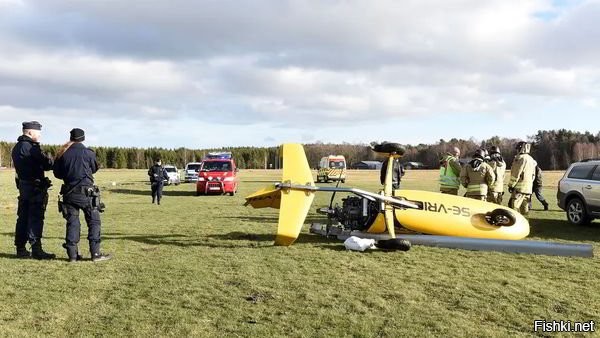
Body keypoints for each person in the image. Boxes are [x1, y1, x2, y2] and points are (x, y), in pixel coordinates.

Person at [53, 128, 111, 262]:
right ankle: (95, 253)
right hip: (87, 194)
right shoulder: (88, 152)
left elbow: (57, 173)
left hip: (69, 193)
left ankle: (73, 255)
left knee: (72, 223)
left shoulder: (63, 153)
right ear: (83, 138)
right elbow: (95, 168)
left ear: (71, 138)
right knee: (94, 222)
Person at [11, 121, 55, 259]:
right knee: (36, 217)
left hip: (23, 186)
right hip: (35, 188)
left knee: (22, 218)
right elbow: (47, 164)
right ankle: (36, 249)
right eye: (38, 132)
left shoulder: (17, 147)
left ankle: (21, 248)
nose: (40, 135)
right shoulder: (31, 148)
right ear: (30, 132)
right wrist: (52, 160)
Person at [507, 141, 537, 215]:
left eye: (517, 149)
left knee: (513, 208)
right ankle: (526, 224)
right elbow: (533, 175)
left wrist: (511, 185)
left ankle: (515, 225)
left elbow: (516, 173)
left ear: (520, 149)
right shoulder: (531, 159)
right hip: (528, 189)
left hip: (519, 189)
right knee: (525, 210)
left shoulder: (520, 158)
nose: (516, 150)